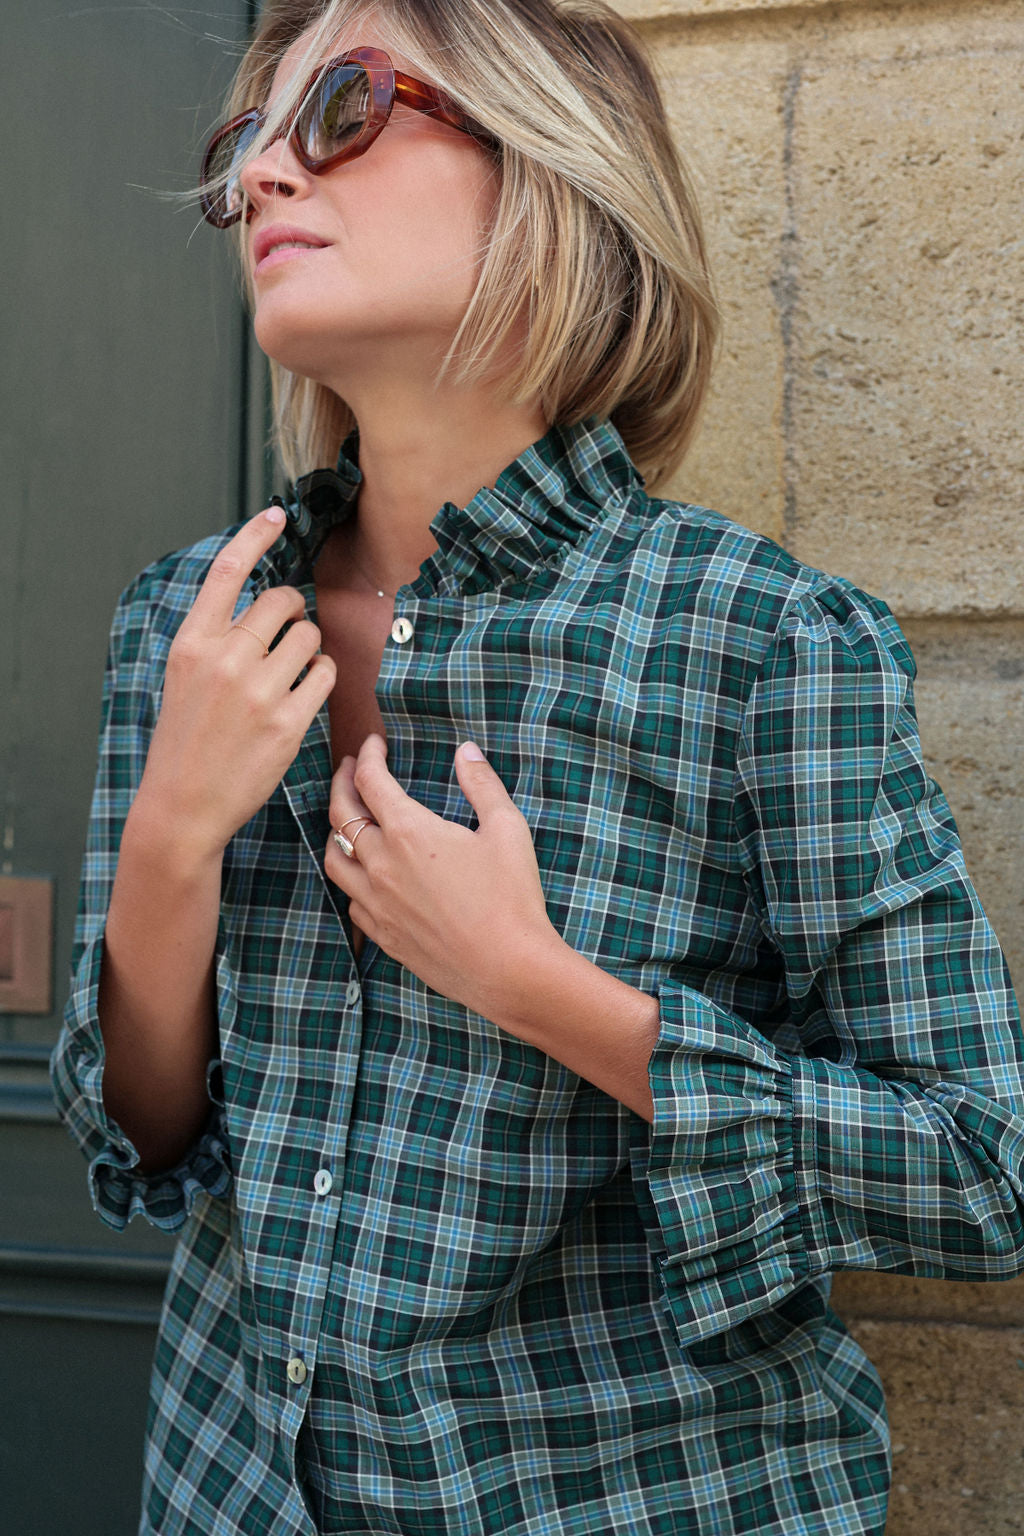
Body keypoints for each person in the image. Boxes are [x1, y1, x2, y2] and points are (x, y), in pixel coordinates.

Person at [51, 1, 1024, 1533]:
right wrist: (173, 835)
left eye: (343, 110)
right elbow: (144, 1137)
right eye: (248, 144)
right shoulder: (191, 622)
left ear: (549, 169)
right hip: (228, 1492)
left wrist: (533, 983)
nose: (264, 179)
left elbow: (982, 1168)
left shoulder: (759, 640)